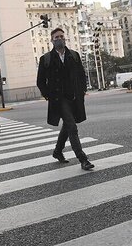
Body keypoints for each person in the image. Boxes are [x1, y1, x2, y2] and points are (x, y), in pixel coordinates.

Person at [36, 28, 95, 171]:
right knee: (72, 127)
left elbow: (81, 75)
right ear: (51, 40)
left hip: (74, 97)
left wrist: (82, 90)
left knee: (68, 126)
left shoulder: (74, 55)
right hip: (58, 99)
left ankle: (57, 151)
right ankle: (83, 159)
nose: (59, 39)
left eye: (61, 36)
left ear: (65, 38)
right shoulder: (46, 59)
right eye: (56, 37)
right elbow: (40, 81)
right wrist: (48, 96)